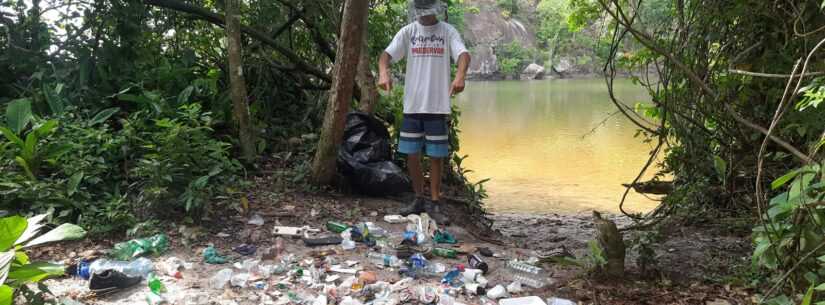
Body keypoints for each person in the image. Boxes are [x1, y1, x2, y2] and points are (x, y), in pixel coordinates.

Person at [377, 0, 471, 226]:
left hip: (437, 106)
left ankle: (436, 202)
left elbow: (463, 55)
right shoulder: (408, 32)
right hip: (412, 105)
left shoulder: (447, 32)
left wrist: (460, 76)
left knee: (436, 157)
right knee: (412, 155)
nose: (423, 15)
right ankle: (419, 198)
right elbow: (385, 56)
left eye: (426, 11)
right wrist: (383, 72)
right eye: (420, 11)